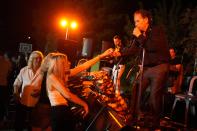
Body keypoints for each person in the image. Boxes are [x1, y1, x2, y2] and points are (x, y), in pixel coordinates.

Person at [113, 9, 170, 129]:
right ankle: (132, 118)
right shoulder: (140, 35)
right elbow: (133, 49)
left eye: (138, 21)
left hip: (159, 67)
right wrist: (119, 53)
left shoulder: (157, 31)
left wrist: (139, 36)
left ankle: (154, 124)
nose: (136, 24)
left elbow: (152, 47)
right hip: (146, 68)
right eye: (135, 22)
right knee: (136, 89)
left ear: (146, 20)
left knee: (154, 96)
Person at [35, 49, 113, 131]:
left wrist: (101, 56)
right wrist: (84, 104)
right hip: (58, 111)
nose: (68, 62)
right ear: (59, 65)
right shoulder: (52, 77)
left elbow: (84, 66)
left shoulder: (63, 74)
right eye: (65, 62)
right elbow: (68, 95)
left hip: (63, 110)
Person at [13, 51, 44, 131]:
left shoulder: (43, 72)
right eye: (36, 58)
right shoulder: (24, 70)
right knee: (19, 124)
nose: (38, 60)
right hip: (22, 101)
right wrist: (16, 93)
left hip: (36, 103)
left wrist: (40, 92)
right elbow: (16, 83)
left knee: (32, 125)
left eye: (40, 58)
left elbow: (46, 86)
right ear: (31, 59)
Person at [0, 51, 12, 127]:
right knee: (2, 103)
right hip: (4, 85)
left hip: (3, 84)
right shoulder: (8, 63)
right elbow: (9, 73)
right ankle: (2, 119)